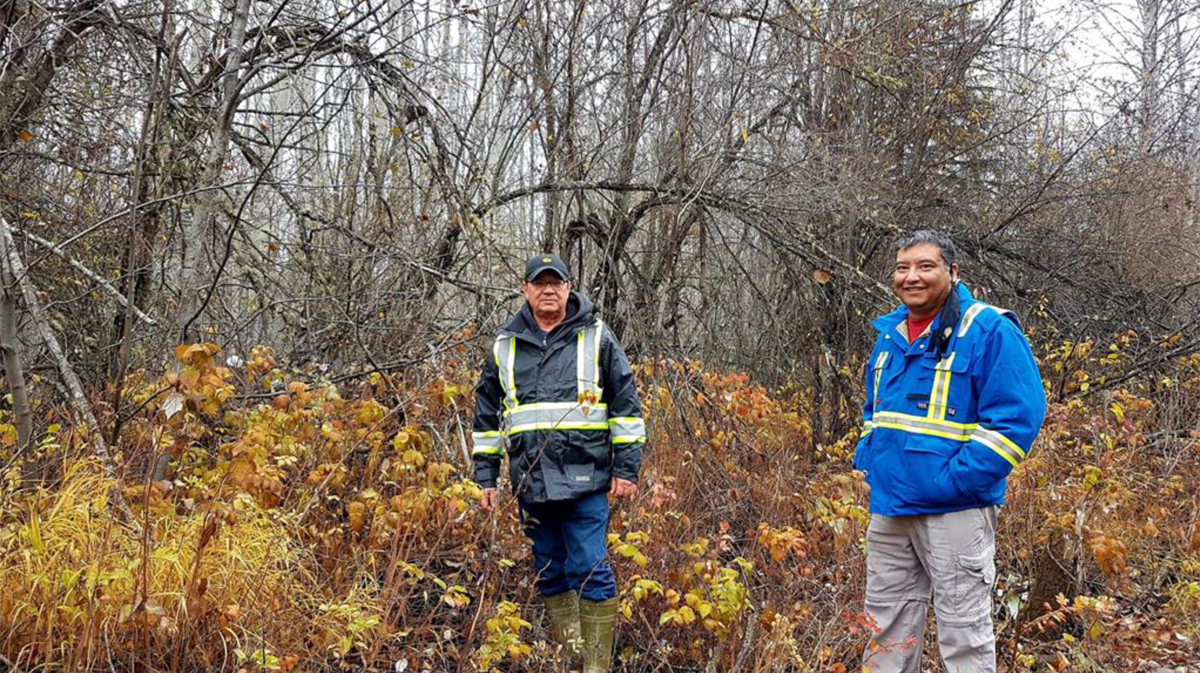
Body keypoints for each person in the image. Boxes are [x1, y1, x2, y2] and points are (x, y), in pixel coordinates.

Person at [853, 230, 1046, 672]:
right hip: (891, 509)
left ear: (953, 272)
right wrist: (870, 463)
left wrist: (956, 480)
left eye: (925, 266)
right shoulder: (890, 334)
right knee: (885, 630)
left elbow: (1018, 419)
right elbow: (876, 412)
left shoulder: (988, 329)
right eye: (903, 268)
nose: (911, 277)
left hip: (955, 511)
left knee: (964, 635)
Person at [471, 253, 645, 673]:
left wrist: (627, 469)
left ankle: (596, 667)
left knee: (590, 567)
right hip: (531, 481)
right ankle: (570, 656)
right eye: (540, 283)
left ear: (569, 287)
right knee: (549, 570)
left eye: (556, 282)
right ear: (525, 289)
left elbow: (626, 405)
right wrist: (486, 477)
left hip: (587, 479)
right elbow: (486, 416)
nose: (548, 290)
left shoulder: (598, 336)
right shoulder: (504, 345)